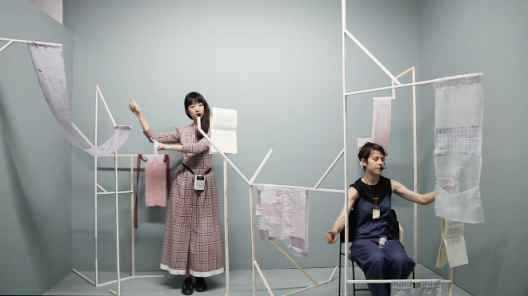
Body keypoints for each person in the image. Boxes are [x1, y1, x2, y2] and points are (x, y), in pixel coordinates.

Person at [129, 92, 223, 295]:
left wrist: (169, 147)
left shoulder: (212, 130)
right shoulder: (182, 130)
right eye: (192, 106)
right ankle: (187, 277)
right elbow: (154, 137)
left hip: (206, 183)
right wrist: (140, 114)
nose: (197, 108)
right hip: (183, 182)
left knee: (204, 231)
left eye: (200, 104)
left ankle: (201, 274)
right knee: (182, 230)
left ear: (205, 106)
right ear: (187, 111)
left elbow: (199, 148)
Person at [325, 142, 435, 296]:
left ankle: (392, 293)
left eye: (382, 159)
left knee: (402, 261)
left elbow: (423, 199)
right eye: (375, 159)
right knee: (376, 260)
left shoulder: (391, 185)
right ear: (363, 162)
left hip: (387, 240)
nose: (380, 163)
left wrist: (444, 190)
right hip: (363, 241)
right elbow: (342, 217)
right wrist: (334, 230)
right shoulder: (355, 189)